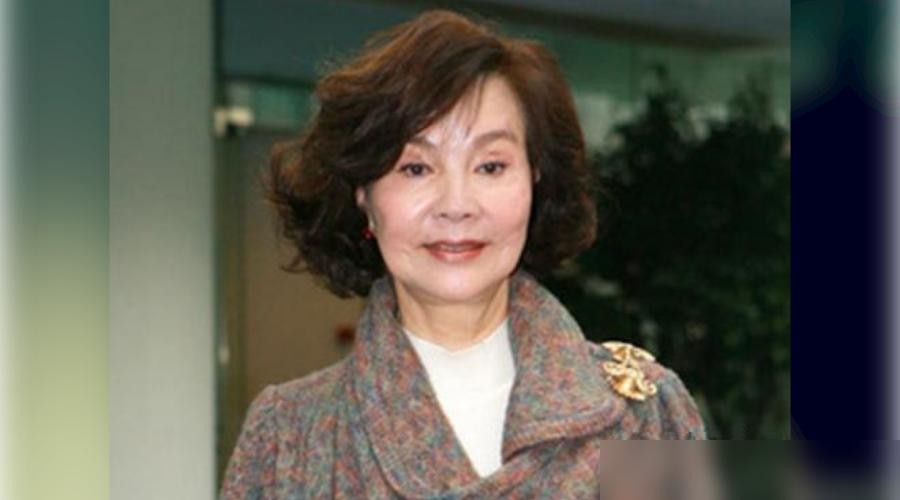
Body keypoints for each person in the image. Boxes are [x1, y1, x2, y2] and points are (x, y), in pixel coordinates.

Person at [221, 9, 706, 499]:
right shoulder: (288, 439)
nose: (456, 205)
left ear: (535, 180)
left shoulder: (642, 417)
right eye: (415, 168)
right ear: (363, 194)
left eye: (490, 166)